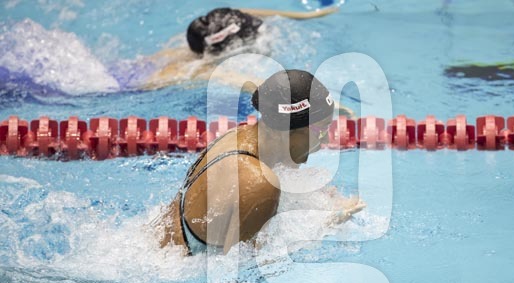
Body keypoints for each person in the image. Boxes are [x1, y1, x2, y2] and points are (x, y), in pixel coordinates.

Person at [157, 69, 363, 255]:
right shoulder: (258, 184)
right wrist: (326, 226)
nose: (325, 142)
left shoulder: (239, 137)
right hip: (171, 272)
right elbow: (247, 271)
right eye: (322, 130)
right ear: (287, 129)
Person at [142, 7, 338, 90]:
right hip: (126, 91)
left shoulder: (196, 44)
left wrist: (306, 16)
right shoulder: (198, 69)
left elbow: (244, 13)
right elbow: (255, 86)